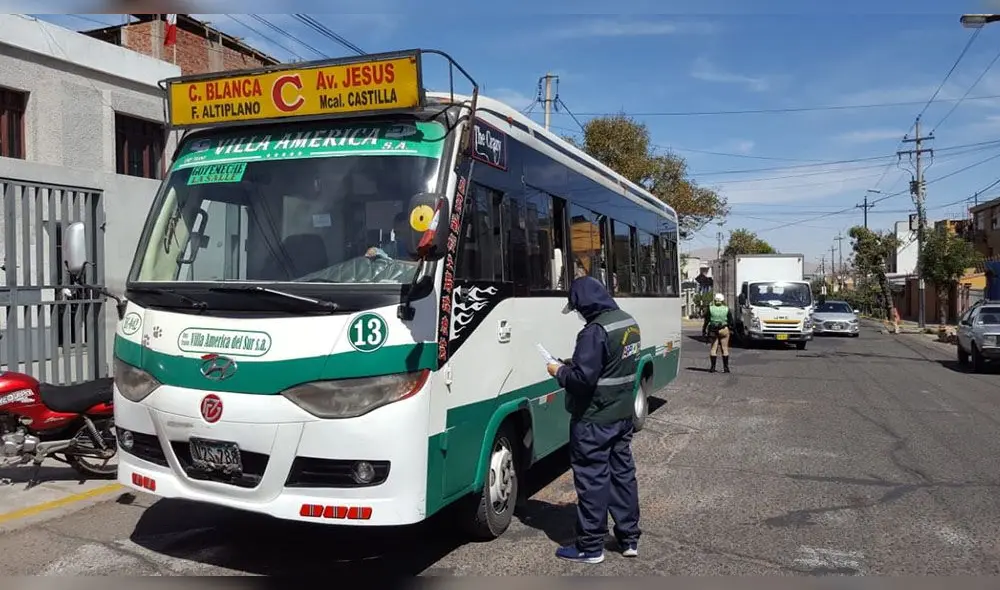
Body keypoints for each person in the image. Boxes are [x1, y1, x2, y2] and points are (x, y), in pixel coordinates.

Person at [545, 276, 642, 565]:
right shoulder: (628, 323)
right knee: (622, 475)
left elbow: (582, 382)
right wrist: (574, 364)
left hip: (594, 419)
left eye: (577, 307)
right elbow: (611, 366)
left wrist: (558, 371)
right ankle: (629, 538)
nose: (578, 313)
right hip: (622, 415)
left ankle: (590, 547)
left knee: (592, 480)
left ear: (585, 303)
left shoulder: (594, 332)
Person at [702, 293, 733, 373]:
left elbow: (707, 320)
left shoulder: (710, 308)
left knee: (713, 348)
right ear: (722, 300)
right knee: (725, 348)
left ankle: (712, 368)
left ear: (715, 300)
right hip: (724, 329)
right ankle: (726, 368)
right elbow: (731, 321)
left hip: (713, 330)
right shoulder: (726, 309)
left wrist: (704, 329)